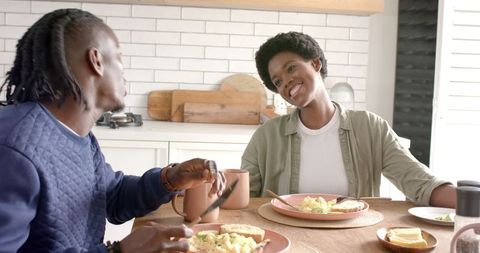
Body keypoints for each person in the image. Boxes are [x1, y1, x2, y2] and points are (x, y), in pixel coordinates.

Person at [0, 8, 226, 253]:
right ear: (96, 60)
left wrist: (171, 179)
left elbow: (112, 197)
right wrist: (117, 251)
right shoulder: (13, 149)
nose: (124, 72)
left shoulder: (78, 136)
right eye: (118, 58)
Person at [241, 31, 456, 208]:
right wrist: (213, 180)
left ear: (316, 64)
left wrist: (469, 200)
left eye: (291, 68)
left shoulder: (371, 128)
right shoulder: (266, 136)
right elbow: (240, 197)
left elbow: (420, 183)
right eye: (278, 81)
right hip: (288, 241)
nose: (286, 81)